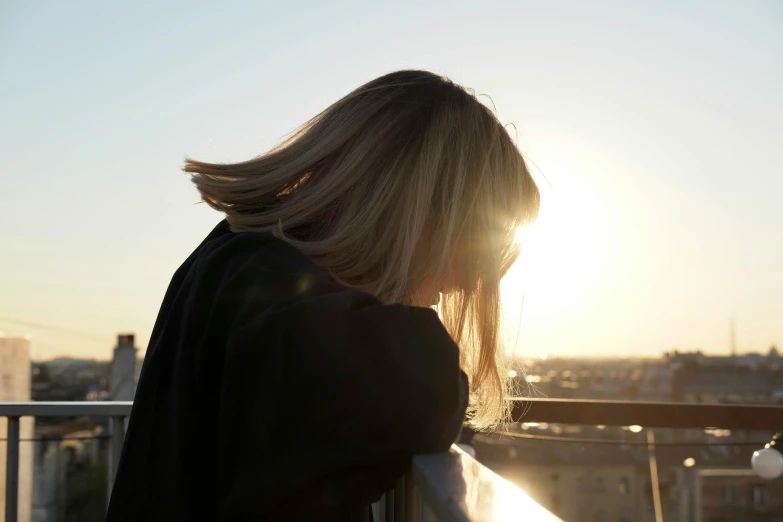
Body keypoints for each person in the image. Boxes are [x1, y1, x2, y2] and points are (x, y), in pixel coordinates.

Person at [106, 70, 539, 521]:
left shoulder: (238, 260)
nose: (470, 283)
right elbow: (411, 384)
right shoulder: (259, 277)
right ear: (414, 212)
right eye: (473, 245)